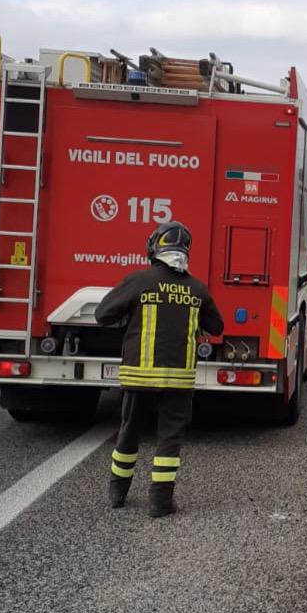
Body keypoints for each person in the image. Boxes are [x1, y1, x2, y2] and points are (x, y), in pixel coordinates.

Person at [95, 221, 223, 517]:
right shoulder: (196, 289)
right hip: (178, 380)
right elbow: (217, 326)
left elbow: (103, 314)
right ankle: (159, 503)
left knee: (129, 431)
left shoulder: (140, 281)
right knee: (169, 439)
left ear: (154, 248)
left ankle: (117, 492)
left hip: (139, 377)